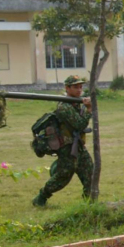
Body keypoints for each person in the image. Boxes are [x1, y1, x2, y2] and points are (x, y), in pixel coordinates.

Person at [32, 74, 92, 206]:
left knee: (89, 171)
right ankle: (42, 197)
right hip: (67, 147)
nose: (79, 90)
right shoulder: (64, 106)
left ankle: (90, 202)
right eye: (75, 87)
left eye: (80, 87)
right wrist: (89, 109)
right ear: (67, 88)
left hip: (78, 145)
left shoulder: (76, 103)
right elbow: (80, 124)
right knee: (63, 176)